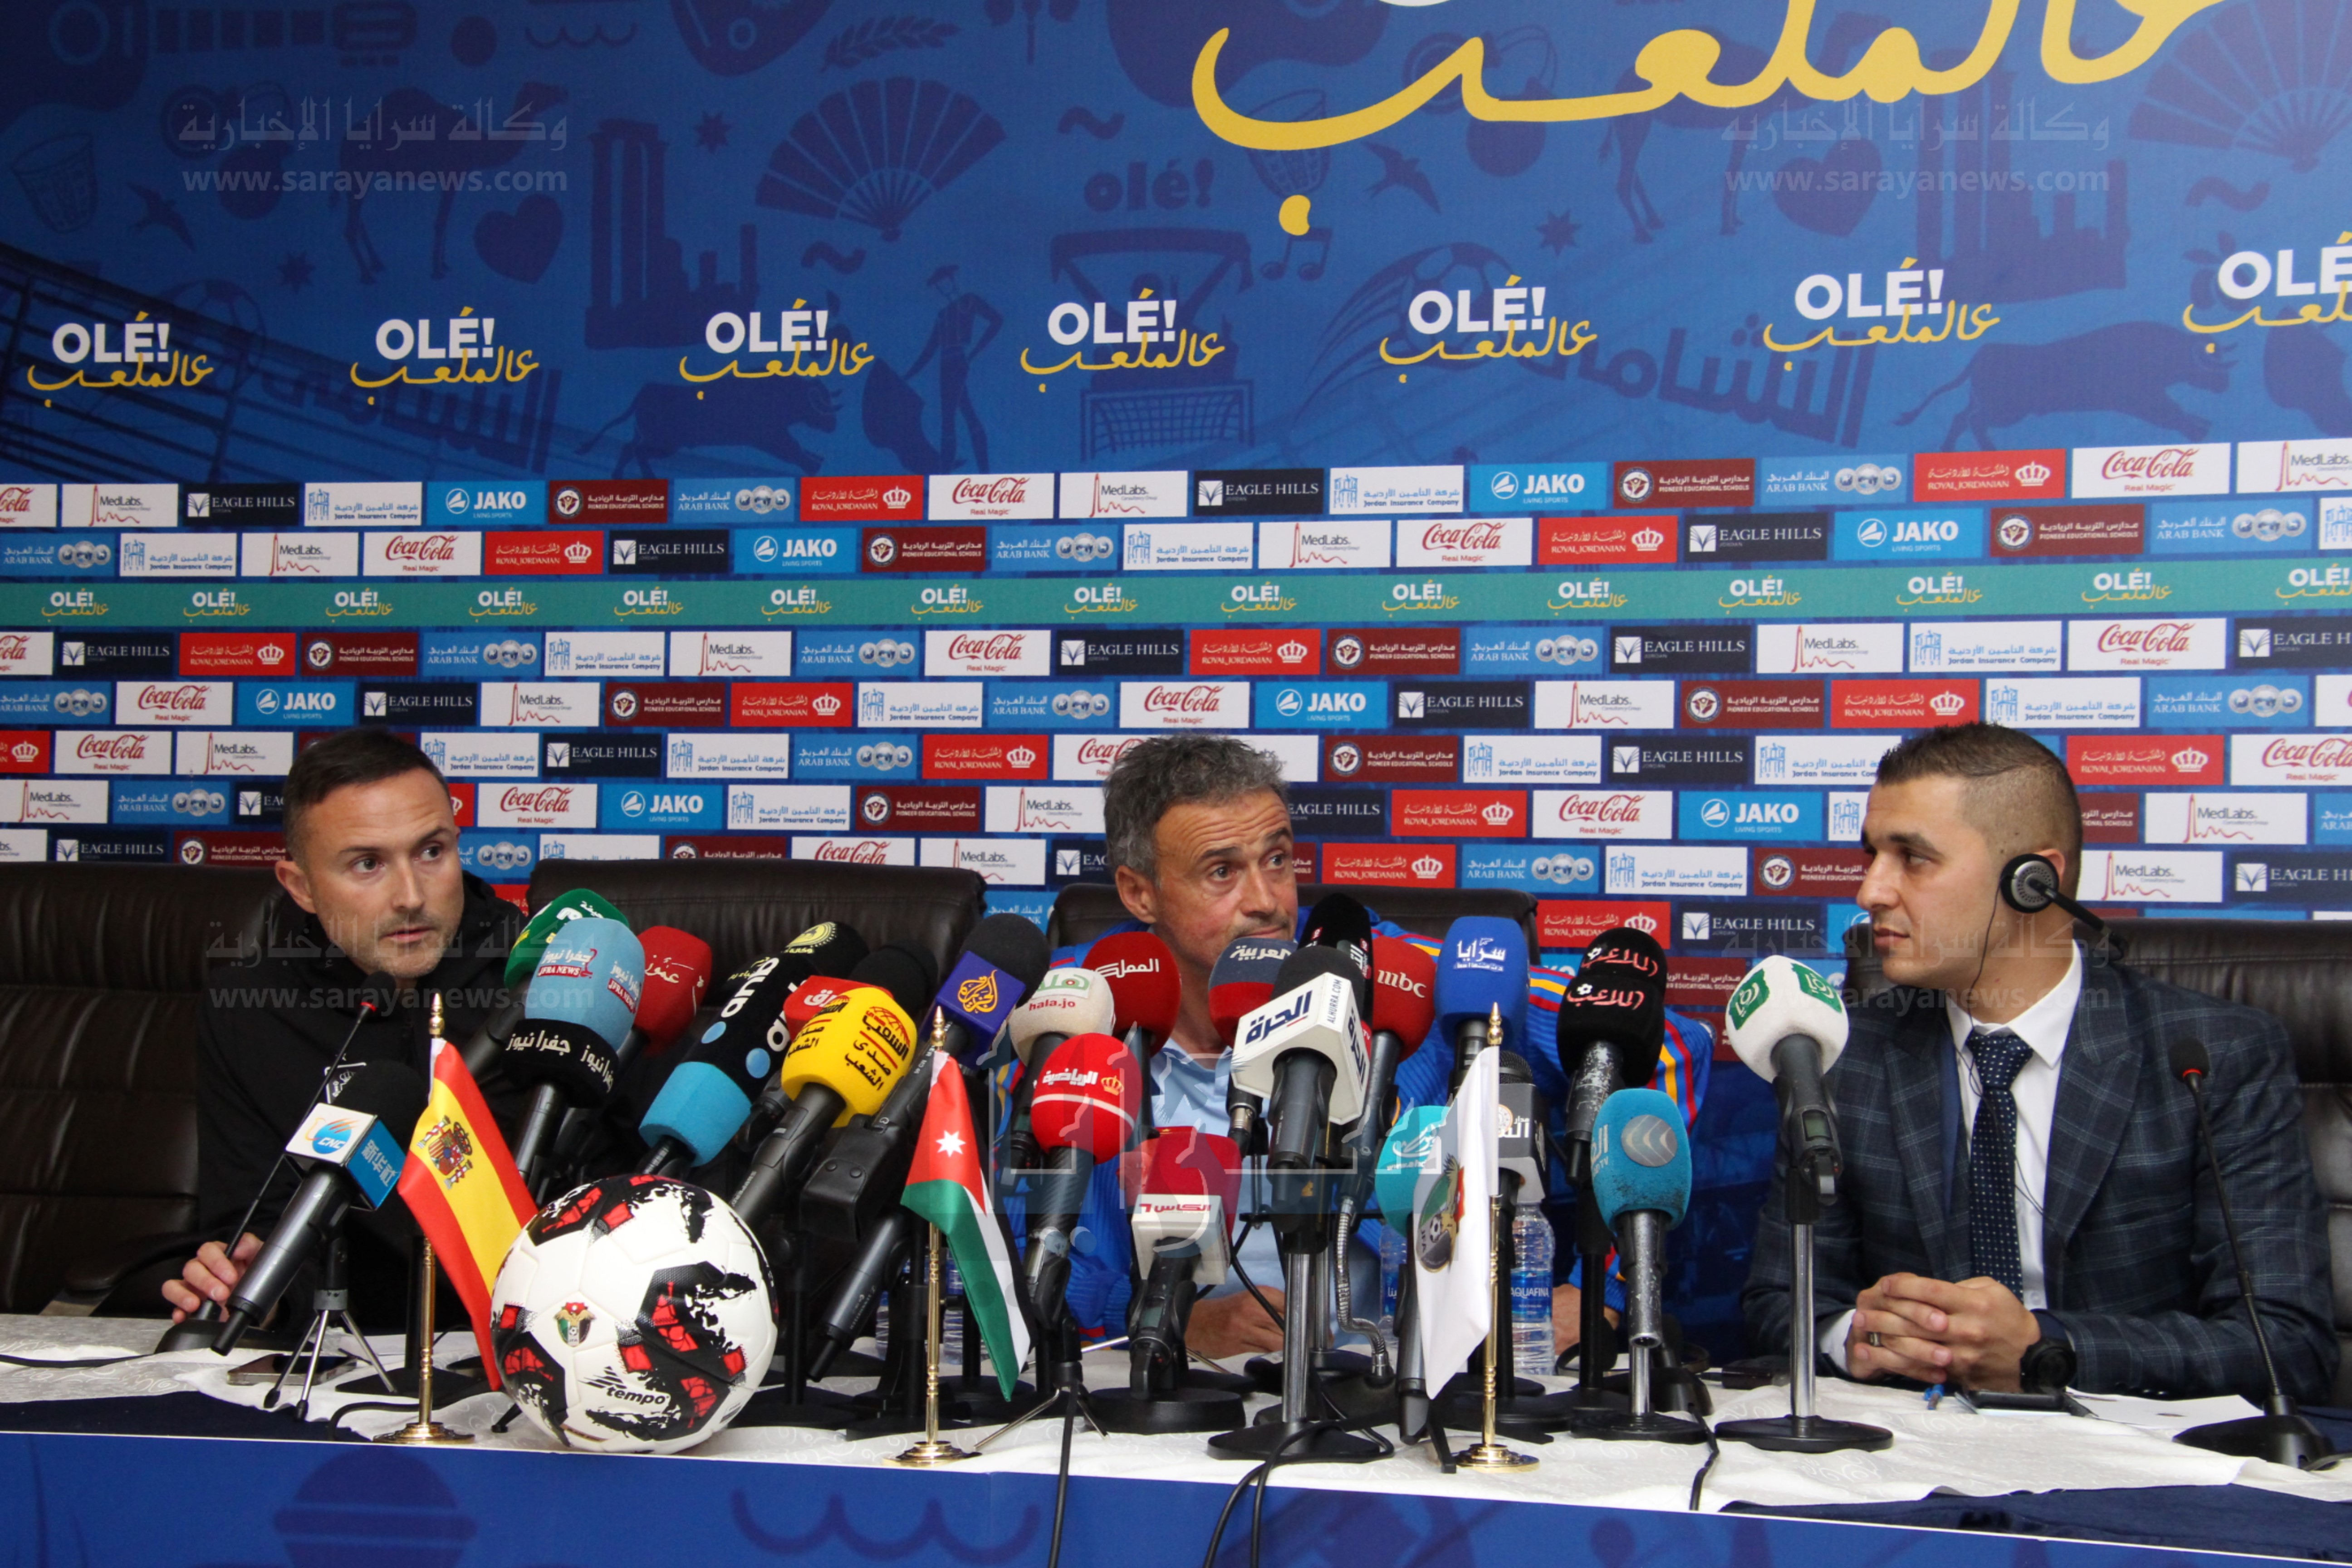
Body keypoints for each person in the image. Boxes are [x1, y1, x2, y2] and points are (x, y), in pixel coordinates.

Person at [1044, 734, 1712, 1359]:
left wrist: (1606, 1293)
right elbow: (1049, 1255)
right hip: (1174, 1387)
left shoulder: (1399, 974)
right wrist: (1170, 1318)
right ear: (1140, 893)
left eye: (1277, 860)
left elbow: (1663, 1047)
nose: (1267, 901)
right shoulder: (1079, 1008)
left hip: (1391, 1379)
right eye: (1222, 872)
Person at [1742, 723, 2337, 1401]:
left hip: (2132, 1449)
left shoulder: (2211, 1057)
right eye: (1872, 854)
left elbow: (2286, 1343)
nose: (1871, 891)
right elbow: (1777, 1302)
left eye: (1913, 858)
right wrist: (1852, 1336)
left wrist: (2047, 1351)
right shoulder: (1842, 1055)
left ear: (2033, 882)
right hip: (1916, 1446)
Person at [164, 728, 522, 1328]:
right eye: (368, 864)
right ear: (301, 886)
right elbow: (255, 1221)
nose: (411, 896)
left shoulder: (547, 978)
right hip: (349, 1350)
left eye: (431, 852)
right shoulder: (250, 1010)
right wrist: (251, 1289)